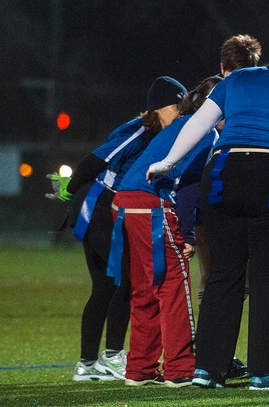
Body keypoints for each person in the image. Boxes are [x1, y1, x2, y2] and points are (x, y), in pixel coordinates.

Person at [146, 48, 269, 390]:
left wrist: (169, 161)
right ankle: (266, 371)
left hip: (224, 171)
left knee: (223, 275)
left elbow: (199, 122)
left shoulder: (237, 78)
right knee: (268, 277)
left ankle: (208, 369)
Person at [45, 77, 183, 382]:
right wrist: (69, 191)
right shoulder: (139, 129)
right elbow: (96, 160)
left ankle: (87, 364)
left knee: (107, 286)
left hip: (112, 209)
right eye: (177, 106)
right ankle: (112, 356)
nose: (181, 112)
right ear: (158, 107)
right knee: (126, 282)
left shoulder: (163, 134)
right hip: (101, 207)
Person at [109, 75, 218, 387]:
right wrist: (188, 235)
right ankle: (180, 369)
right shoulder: (203, 130)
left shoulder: (178, 126)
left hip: (124, 203)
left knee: (145, 287)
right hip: (152, 205)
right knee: (173, 286)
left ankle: (140, 368)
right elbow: (188, 188)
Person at [194, 34, 263, 305]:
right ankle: (214, 342)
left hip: (208, 200)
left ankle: (210, 342)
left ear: (223, 66)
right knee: (234, 273)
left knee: (213, 273)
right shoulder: (260, 97)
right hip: (236, 197)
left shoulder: (216, 91)